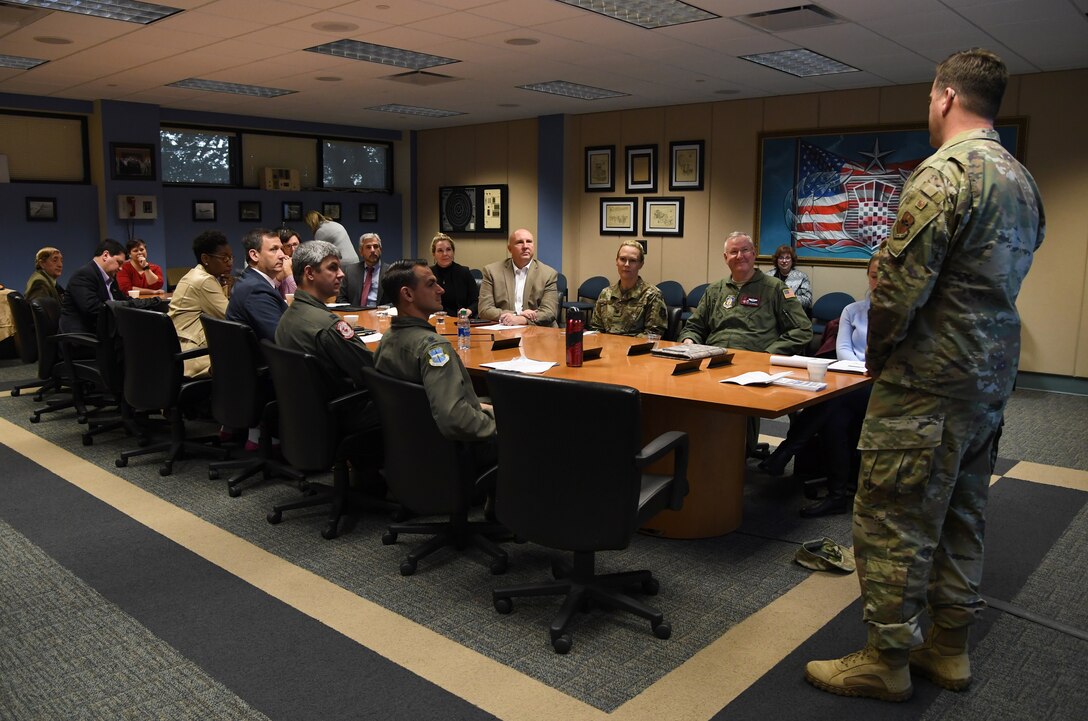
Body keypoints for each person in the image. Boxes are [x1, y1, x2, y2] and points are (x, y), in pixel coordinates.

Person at [805, 49, 1045, 702]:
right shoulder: (1021, 180)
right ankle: (949, 647)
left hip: (925, 385)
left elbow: (897, 292)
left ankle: (886, 659)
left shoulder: (943, 174)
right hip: (986, 383)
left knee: (891, 520)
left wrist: (879, 358)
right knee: (963, 513)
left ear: (945, 97)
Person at [759, 255, 881, 517]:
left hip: (883, 388)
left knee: (833, 399)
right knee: (835, 417)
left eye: (886, 276)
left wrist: (871, 370)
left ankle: (786, 450)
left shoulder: (902, 315)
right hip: (854, 382)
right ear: (867, 277)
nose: (879, 282)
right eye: (874, 276)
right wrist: (863, 369)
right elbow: (843, 349)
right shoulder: (853, 311)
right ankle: (837, 495)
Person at [680, 231, 811, 456]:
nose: (739, 256)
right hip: (713, 358)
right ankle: (696, 449)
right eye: (733, 252)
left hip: (754, 362)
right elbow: (694, 326)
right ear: (725, 257)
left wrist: (769, 354)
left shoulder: (774, 288)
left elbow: (802, 329)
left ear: (754, 254)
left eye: (745, 250)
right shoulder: (715, 290)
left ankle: (737, 452)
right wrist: (689, 341)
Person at [274, 240, 382, 493]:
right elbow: (371, 371)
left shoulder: (289, 316)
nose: (341, 274)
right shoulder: (327, 326)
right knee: (413, 399)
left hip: (306, 415)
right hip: (340, 413)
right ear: (309, 273)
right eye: (333, 268)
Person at [374, 259, 496, 442]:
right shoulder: (434, 348)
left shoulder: (387, 338)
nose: (441, 290)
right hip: (462, 449)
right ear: (408, 294)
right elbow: (456, 420)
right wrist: (502, 421)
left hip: (413, 441)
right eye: (431, 284)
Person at [168, 231, 233, 378]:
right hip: (193, 355)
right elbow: (230, 317)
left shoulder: (194, 275)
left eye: (231, 257)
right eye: (224, 258)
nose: (230, 263)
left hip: (177, 350)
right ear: (205, 258)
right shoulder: (204, 281)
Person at [477, 228, 560, 327]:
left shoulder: (548, 274)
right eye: (520, 242)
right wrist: (516, 314)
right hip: (504, 329)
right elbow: (484, 310)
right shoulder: (492, 271)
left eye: (529, 242)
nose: (525, 246)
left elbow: (549, 312)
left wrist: (522, 319)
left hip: (538, 330)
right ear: (510, 249)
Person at [589, 240, 667, 337]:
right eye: (622, 259)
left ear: (641, 264)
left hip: (637, 346)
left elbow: (654, 334)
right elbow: (596, 328)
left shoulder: (652, 295)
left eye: (632, 260)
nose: (626, 264)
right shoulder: (606, 293)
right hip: (606, 346)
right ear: (616, 261)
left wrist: (620, 343)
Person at [226, 228, 287, 342]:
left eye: (282, 249)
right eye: (273, 249)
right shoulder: (255, 290)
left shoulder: (252, 280)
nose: (282, 255)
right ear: (254, 255)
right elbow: (280, 338)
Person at [59, 238, 128, 334]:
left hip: (101, 330)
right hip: (82, 336)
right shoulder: (84, 275)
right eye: (119, 263)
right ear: (105, 255)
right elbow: (93, 309)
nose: (121, 268)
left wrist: (141, 304)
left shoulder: (110, 278)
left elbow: (122, 300)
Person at [430, 232, 478, 318]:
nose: (445, 254)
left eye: (448, 249)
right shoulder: (428, 274)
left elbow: (477, 301)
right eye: (440, 250)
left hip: (460, 320)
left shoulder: (464, 272)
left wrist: (469, 311)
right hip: (435, 319)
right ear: (434, 254)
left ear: (453, 252)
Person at [338, 233, 386, 307]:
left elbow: (397, 301)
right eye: (368, 247)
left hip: (381, 313)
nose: (373, 250)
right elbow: (341, 298)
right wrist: (351, 311)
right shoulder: (350, 271)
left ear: (380, 250)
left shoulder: (390, 272)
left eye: (376, 246)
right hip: (355, 312)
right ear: (361, 252)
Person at [770, 244, 812, 313]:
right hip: (771, 314)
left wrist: (789, 297)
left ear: (792, 260)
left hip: (792, 314)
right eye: (781, 258)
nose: (784, 261)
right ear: (777, 260)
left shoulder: (802, 277)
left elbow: (808, 300)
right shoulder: (768, 276)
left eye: (787, 258)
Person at [276, 228, 300, 301]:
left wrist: (288, 272)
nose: (293, 249)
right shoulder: (277, 265)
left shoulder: (307, 265)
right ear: (282, 248)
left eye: (295, 245)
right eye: (288, 246)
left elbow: (300, 297)